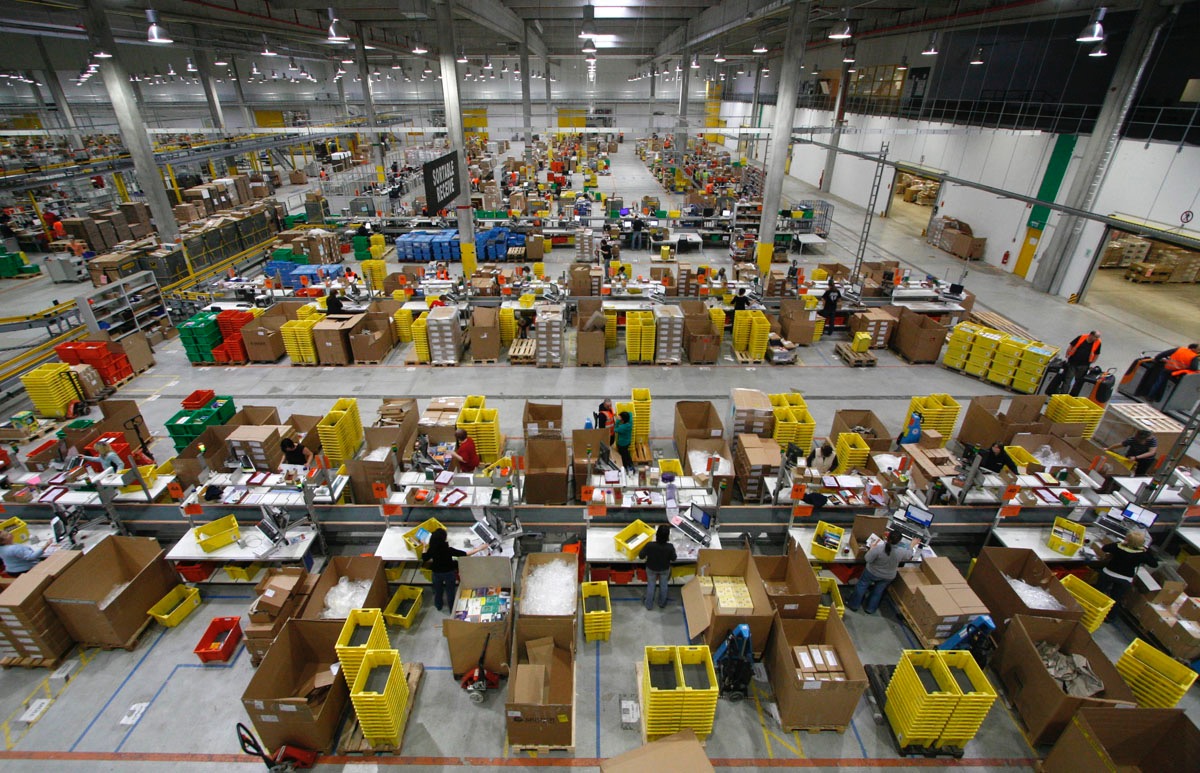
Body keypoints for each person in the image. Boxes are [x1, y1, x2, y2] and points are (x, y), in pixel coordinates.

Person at [847, 531, 916, 614]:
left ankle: (854, 605)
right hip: (888, 576)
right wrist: (912, 545)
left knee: (862, 586)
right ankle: (870, 609)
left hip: (872, 573)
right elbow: (909, 555)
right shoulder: (901, 551)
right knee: (878, 592)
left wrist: (871, 549)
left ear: (887, 538)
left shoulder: (878, 549)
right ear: (899, 542)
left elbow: (867, 559)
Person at [422, 527, 488, 612]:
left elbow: (424, 558)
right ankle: (452, 609)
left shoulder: (432, 549)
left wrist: (424, 546)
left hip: (436, 573)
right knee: (450, 592)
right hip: (448, 573)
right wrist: (479, 548)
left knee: (438, 591)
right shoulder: (448, 550)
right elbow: (465, 554)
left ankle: (439, 606)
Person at [1093, 531, 1157, 602]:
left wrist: (1120, 543)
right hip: (1125, 579)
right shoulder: (1142, 554)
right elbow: (1154, 564)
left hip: (1108, 573)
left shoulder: (1117, 546)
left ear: (1127, 540)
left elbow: (1104, 548)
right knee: (1115, 600)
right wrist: (1145, 551)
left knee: (1097, 594)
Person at [642, 525, 677, 610]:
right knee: (664, 585)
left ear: (656, 535)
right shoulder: (670, 547)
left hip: (651, 568)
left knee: (651, 586)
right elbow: (674, 558)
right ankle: (662, 603)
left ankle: (648, 604)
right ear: (667, 536)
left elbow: (641, 556)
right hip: (664, 569)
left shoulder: (650, 545)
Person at [1063, 331, 1102, 396]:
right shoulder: (1081, 337)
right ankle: (1063, 394)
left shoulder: (1098, 342)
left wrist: (1092, 362)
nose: (1097, 339)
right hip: (1073, 362)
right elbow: (1071, 345)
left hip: (1084, 365)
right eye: (1096, 337)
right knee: (1068, 379)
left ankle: (1073, 395)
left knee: (1078, 381)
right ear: (1091, 335)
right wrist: (1067, 354)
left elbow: (1097, 353)